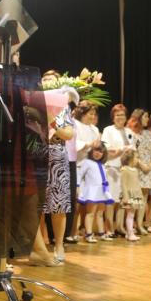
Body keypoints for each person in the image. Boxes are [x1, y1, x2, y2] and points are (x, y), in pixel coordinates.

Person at [42, 77, 76, 263]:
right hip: (36, 155)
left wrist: (52, 120)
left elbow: (68, 134)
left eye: (51, 81)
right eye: (45, 80)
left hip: (56, 158)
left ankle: (59, 244)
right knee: (36, 205)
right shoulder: (31, 104)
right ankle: (39, 245)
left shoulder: (61, 108)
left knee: (58, 204)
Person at [67, 101, 105, 242]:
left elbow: (98, 148)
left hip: (90, 169)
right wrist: (89, 144)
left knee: (89, 202)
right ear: (82, 113)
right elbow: (73, 144)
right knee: (76, 202)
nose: (92, 116)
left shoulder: (94, 129)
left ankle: (86, 231)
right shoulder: (75, 125)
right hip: (77, 167)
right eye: (90, 113)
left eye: (94, 114)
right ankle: (72, 232)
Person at [101, 104, 136, 236]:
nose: (120, 117)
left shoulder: (129, 132)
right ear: (113, 117)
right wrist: (122, 149)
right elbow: (106, 148)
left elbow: (133, 147)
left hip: (126, 170)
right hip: (112, 167)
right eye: (117, 115)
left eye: (122, 115)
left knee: (123, 200)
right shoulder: (108, 130)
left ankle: (120, 227)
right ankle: (109, 228)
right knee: (112, 200)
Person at [127, 109, 151, 235]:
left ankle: (140, 224)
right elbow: (130, 152)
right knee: (134, 198)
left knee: (144, 197)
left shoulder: (148, 134)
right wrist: (141, 164)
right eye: (145, 117)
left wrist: (150, 164)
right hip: (136, 168)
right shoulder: (130, 133)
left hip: (148, 169)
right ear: (138, 118)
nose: (147, 119)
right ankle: (129, 225)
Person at [77, 143, 114, 242]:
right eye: (96, 150)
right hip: (92, 191)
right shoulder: (87, 162)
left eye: (101, 151)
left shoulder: (102, 165)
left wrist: (107, 190)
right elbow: (79, 175)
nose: (98, 153)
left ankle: (101, 233)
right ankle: (88, 234)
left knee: (100, 213)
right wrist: (78, 186)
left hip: (102, 191)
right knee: (90, 213)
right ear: (91, 151)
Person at [120, 150, 144, 241]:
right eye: (136, 157)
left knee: (131, 215)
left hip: (135, 194)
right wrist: (125, 196)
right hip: (129, 196)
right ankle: (130, 234)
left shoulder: (135, 170)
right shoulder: (125, 170)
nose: (138, 160)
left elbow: (136, 183)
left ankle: (129, 232)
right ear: (130, 159)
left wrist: (139, 193)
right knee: (130, 215)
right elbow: (123, 184)